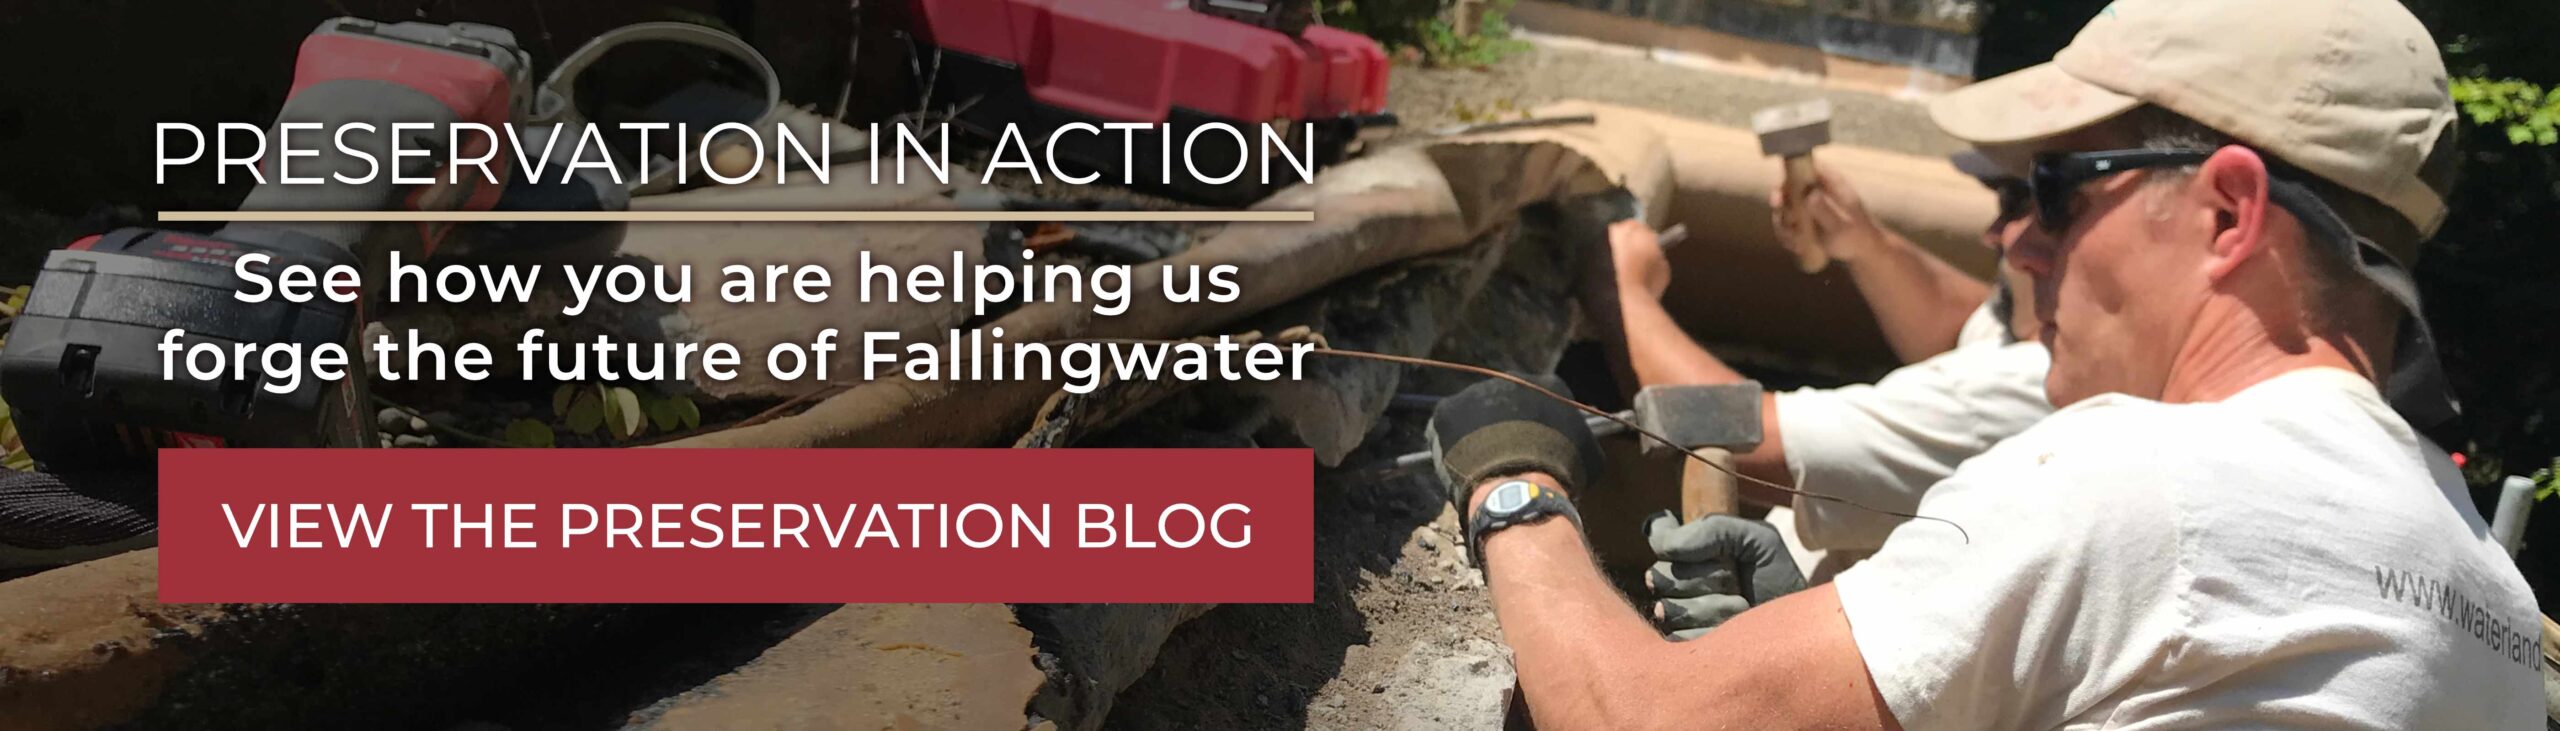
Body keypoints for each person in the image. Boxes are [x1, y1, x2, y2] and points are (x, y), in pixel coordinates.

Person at [1427, 0, 2544, 727]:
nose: (2013, 238)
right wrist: (1877, 637)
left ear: (2227, 212)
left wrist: (1514, 486)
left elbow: (1633, 716)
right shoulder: (2482, 581)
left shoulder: (2148, 475)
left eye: (2054, 191)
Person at [1593, 151, 2051, 613]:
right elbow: (1969, 329)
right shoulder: (2048, 335)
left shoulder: (2028, 389)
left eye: (2017, 203)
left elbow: (1747, 440)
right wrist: (1865, 243)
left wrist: (1619, 289)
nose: (1992, 233)